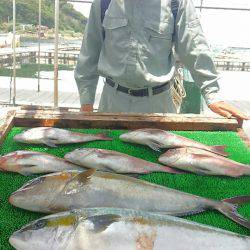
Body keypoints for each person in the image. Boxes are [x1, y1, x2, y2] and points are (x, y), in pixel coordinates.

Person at [74, 0, 248, 120]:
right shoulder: (104, 3)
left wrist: (213, 95)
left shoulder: (176, 3)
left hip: (158, 104)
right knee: (108, 165)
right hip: (111, 101)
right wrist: (86, 102)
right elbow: (89, 54)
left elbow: (195, 48)